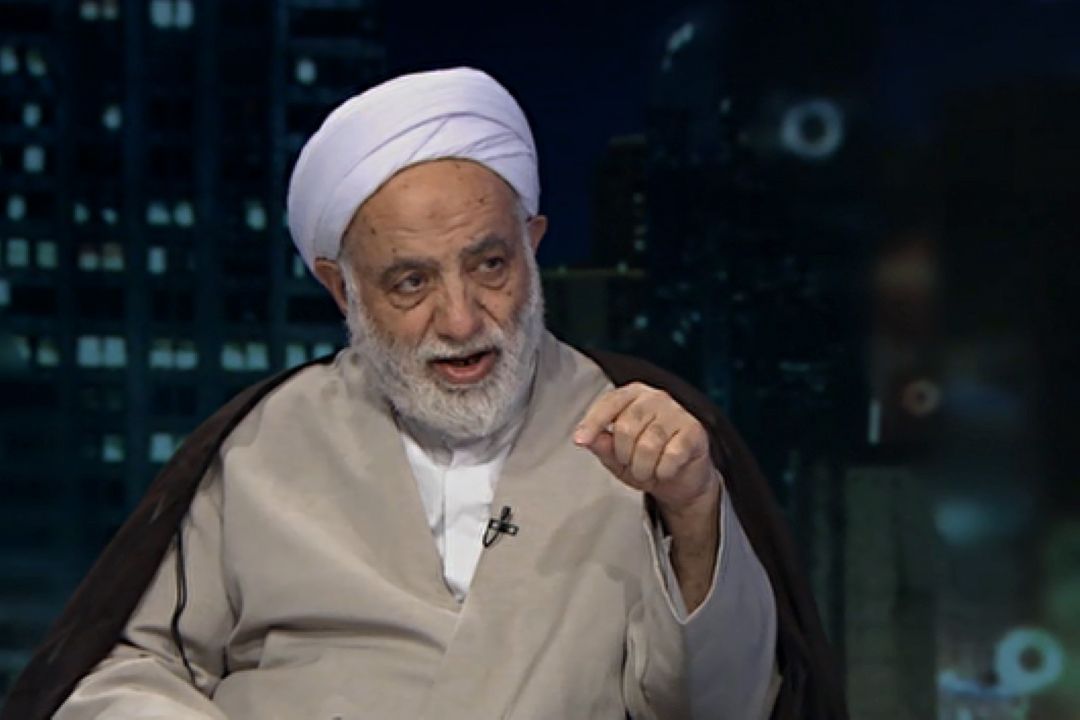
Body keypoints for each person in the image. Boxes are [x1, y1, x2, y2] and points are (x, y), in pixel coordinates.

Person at [1, 68, 847, 719]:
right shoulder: (261, 444)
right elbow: (122, 673)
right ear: (342, 291)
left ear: (534, 245)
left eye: (490, 265)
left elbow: (726, 708)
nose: (462, 318)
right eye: (410, 282)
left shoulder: (643, 429)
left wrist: (694, 511)